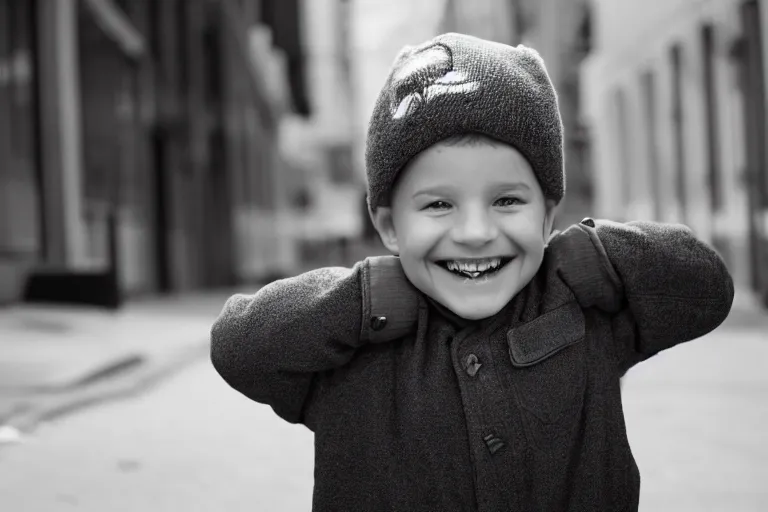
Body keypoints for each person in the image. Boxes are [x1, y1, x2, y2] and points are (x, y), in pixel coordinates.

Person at [210, 33, 734, 511]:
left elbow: (705, 287)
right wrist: (360, 299)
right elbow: (238, 347)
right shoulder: (350, 346)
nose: (476, 231)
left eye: (507, 200)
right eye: (438, 205)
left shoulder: (580, 307)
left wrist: (595, 255)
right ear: (389, 225)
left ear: (548, 214)